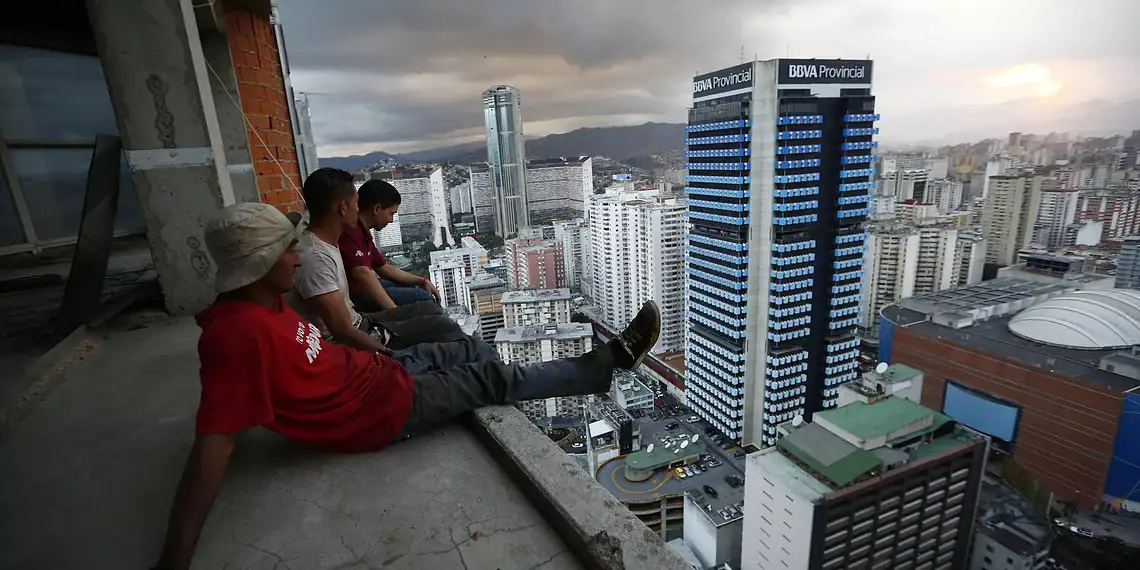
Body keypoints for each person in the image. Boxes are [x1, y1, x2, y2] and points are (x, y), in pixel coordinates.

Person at [149, 202, 661, 569]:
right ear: (260, 265)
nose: (298, 259)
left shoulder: (267, 303)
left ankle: (503, 389)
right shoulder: (234, 339)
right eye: (287, 251)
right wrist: (175, 555)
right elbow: (212, 446)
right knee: (487, 374)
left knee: (462, 348)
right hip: (380, 411)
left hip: (379, 374)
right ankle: (599, 367)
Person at [286, 167, 446, 353]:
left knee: (433, 315)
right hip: (360, 331)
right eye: (356, 204)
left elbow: (383, 268)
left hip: (360, 321)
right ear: (343, 208)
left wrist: (421, 280)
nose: (358, 209)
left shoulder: (332, 239)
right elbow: (343, 330)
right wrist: (389, 351)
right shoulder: (316, 257)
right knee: (438, 324)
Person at [340, 179, 440, 311]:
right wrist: (396, 313)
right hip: (355, 296)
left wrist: (421, 281)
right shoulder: (351, 231)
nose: (391, 220)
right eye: (391, 213)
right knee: (423, 297)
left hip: (362, 290)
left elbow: (385, 268)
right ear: (377, 209)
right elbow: (362, 273)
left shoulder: (363, 234)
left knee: (414, 288)